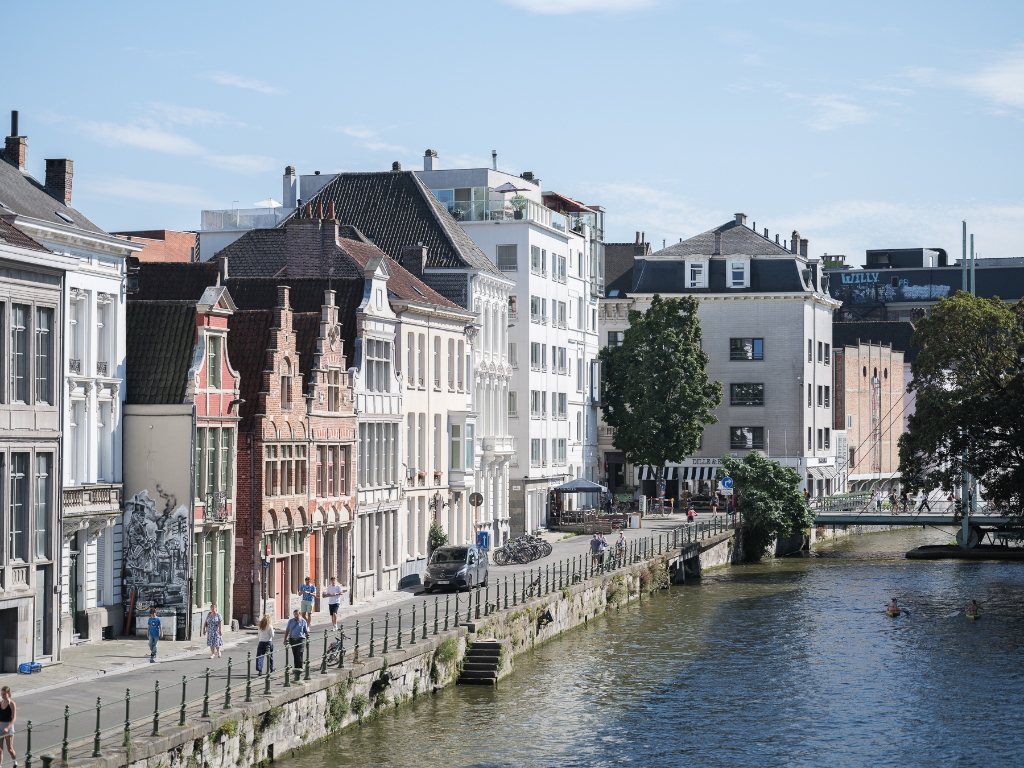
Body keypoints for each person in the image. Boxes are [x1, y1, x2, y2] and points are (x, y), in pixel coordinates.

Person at [0, 686, 15, 768]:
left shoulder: (12, 704)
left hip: (8, 726)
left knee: (10, 749)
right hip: (0, 726)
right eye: (1, 694)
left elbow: (14, 718)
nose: (2, 696)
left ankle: (15, 762)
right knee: (0, 749)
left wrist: (8, 727)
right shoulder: (0, 703)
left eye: (4, 694)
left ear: (8, 694)